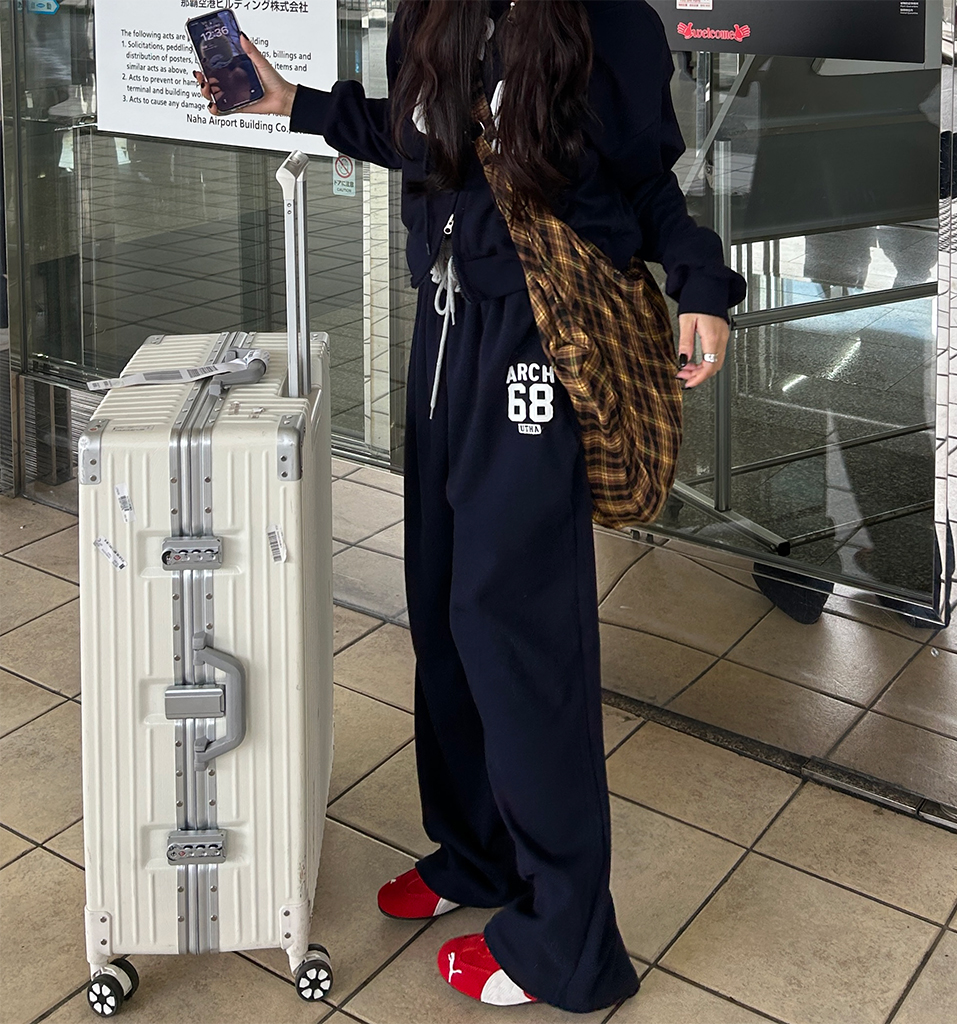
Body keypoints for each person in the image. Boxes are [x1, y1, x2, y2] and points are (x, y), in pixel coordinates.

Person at [196, 0, 745, 1013]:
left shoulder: (606, 19)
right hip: (443, 332)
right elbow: (419, 139)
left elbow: (645, 176)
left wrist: (701, 282)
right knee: (444, 608)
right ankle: (477, 852)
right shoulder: (432, 11)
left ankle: (568, 943)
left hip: (537, 340)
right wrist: (292, 103)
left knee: (518, 630)